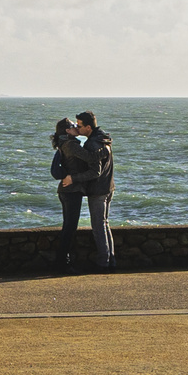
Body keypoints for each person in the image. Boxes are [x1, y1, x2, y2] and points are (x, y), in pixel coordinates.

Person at [59, 110, 116, 272]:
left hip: (98, 189)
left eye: (80, 125)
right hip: (108, 186)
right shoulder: (104, 138)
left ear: (88, 127)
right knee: (104, 224)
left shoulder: (92, 144)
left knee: (98, 226)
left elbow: (94, 171)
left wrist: (73, 178)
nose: (77, 128)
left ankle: (103, 263)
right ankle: (111, 260)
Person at [50, 117, 82, 271]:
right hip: (71, 191)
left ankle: (63, 261)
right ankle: (63, 262)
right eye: (73, 126)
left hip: (66, 191)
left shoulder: (64, 145)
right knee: (70, 227)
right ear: (67, 131)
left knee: (68, 226)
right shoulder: (70, 145)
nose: (77, 127)